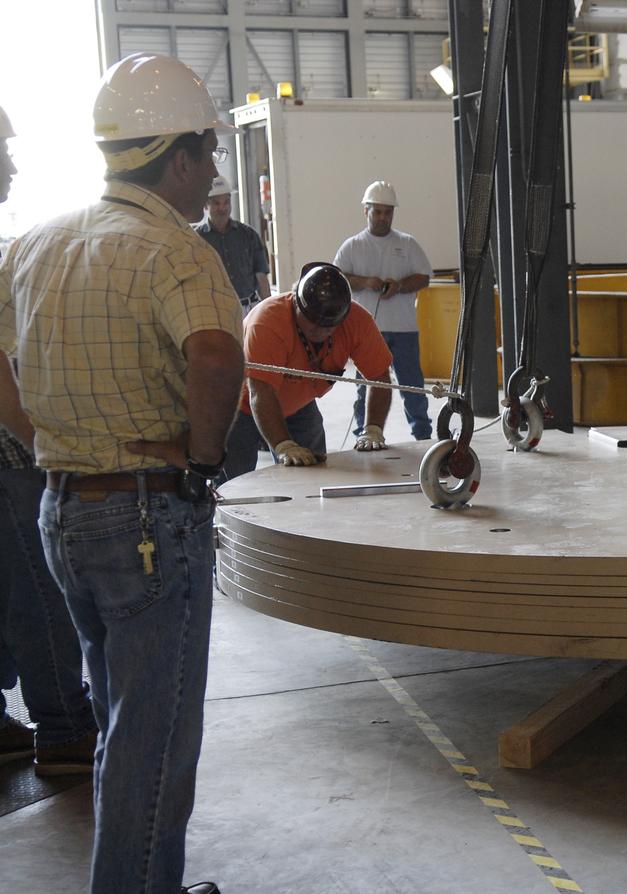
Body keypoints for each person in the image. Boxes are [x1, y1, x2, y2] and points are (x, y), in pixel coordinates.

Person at [0, 54, 245, 894]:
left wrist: (37, 437)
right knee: (158, 737)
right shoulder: (176, 250)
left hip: (62, 513)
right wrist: (203, 456)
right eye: (208, 150)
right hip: (147, 522)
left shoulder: (40, 241)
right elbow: (217, 353)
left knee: (121, 720)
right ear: (175, 155)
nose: (213, 168)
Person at [0, 102, 98, 776]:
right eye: (1, 154)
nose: (10, 167)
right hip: (9, 453)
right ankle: (64, 723)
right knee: (40, 589)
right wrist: (37, 443)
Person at [222, 262, 395, 481]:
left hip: (298, 404)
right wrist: (284, 446)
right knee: (235, 483)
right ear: (297, 305)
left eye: (329, 326)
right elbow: (260, 392)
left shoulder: (357, 321)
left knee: (313, 476)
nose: (320, 331)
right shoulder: (268, 322)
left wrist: (373, 428)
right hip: (240, 404)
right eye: (313, 323)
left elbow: (380, 377)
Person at [334, 180, 433, 440]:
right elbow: (337, 277)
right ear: (365, 211)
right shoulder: (353, 246)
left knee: (413, 387)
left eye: (387, 212)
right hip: (368, 332)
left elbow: (424, 277)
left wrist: (399, 285)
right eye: (377, 211)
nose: (382, 217)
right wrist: (365, 281)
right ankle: (363, 434)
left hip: (403, 329)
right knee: (366, 387)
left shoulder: (407, 244)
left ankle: (422, 435)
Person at [195, 174, 271, 316]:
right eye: (216, 203)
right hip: (215, 312)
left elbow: (261, 278)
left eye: (226, 202)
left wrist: (269, 311)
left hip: (249, 308)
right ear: (206, 205)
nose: (222, 208)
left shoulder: (249, 235)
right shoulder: (197, 239)